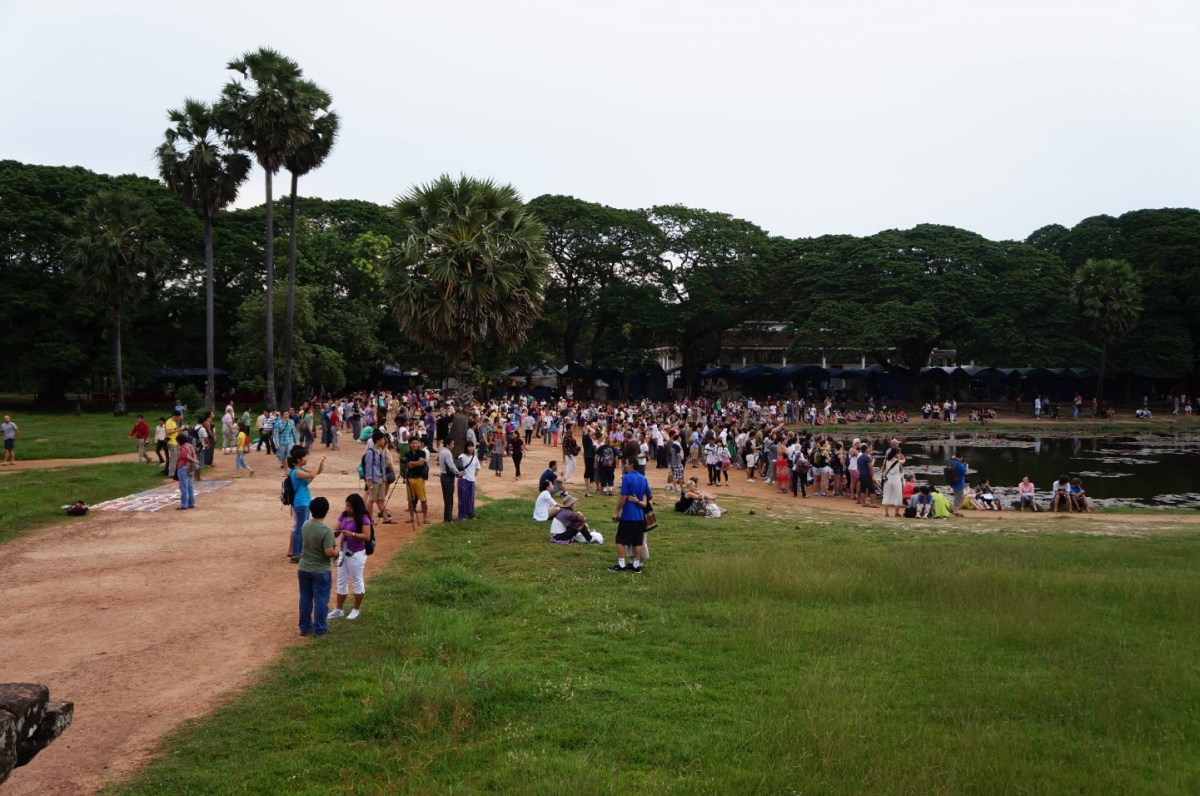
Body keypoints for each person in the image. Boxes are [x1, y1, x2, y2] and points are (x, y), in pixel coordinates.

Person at [297, 496, 337, 637]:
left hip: (303, 567)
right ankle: (320, 629)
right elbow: (328, 552)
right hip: (320, 570)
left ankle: (304, 627)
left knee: (305, 598)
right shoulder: (327, 531)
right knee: (321, 600)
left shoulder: (305, 525)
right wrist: (337, 553)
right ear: (326, 511)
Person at [328, 494, 371, 621]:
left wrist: (352, 534)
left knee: (357, 580)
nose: (348, 509)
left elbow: (366, 536)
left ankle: (356, 609)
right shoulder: (344, 516)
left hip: (356, 554)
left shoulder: (363, 518)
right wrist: (329, 534)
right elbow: (335, 531)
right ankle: (339, 609)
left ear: (356, 507)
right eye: (346, 506)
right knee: (341, 581)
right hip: (343, 552)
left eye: (350, 507)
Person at [610, 457, 651, 573]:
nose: (625, 466)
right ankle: (636, 566)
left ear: (632, 464)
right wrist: (640, 500)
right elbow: (650, 494)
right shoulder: (643, 478)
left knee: (620, 540)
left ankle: (621, 565)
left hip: (628, 515)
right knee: (637, 542)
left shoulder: (627, 478)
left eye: (626, 463)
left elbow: (623, 497)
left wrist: (616, 512)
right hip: (640, 516)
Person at [287, 445, 326, 563]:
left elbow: (315, 473)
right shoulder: (296, 472)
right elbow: (312, 475)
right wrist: (318, 461)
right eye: (304, 457)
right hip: (301, 503)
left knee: (301, 527)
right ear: (298, 459)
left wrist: (321, 462)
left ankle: (299, 551)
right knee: (300, 528)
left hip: (303, 502)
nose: (306, 459)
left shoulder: (300, 471)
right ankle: (296, 554)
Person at [363, 432, 394, 525]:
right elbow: (368, 466)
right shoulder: (370, 452)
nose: (384, 441)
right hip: (374, 478)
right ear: (377, 440)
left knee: (381, 499)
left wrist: (384, 477)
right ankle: (370, 520)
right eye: (382, 439)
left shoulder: (380, 451)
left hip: (381, 478)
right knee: (371, 499)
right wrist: (368, 479)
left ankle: (384, 518)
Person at [404, 437, 430, 525]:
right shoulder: (407, 454)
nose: (415, 444)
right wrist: (415, 463)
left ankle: (425, 517)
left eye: (416, 443)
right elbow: (409, 466)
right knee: (410, 499)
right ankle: (411, 517)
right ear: (410, 444)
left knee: (423, 499)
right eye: (413, 443)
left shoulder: (422, 453)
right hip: (410, 478)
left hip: (419, 478)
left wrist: (411, 463)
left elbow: (421, 463)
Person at [438, 438, 462, 523]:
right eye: (452, 444)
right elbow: (451, 466)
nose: (453, 445)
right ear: (447, 444)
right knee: (449, 498)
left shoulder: (442, 452)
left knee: (447, 498)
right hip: (447, 477)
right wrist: (458, 473)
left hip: (444, 476)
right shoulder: (447, 453)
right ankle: (449, 518)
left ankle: (447, 518)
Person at [457, 441, 480, 520]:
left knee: (471, 498)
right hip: (463, 480)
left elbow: (478, 466)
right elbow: (457, 466)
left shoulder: (474, 457)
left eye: (472, 446)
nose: (471, 448)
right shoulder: (462, 456)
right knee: (463, 498)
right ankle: (462, 515)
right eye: (469, 446)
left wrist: (475, 474)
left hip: (472, 480)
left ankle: (470, 514)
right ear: (466, 447)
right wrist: (460, 473)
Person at [880, 445, 905, 517]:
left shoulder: (885, 460)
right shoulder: (898, 461)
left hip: (888, 479)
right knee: (897, 495)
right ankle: (896, 513)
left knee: (886, 495)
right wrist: (901, 453)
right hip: (896, 479)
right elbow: (904, 460)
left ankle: (886, 513)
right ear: (896, 454)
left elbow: (883, 470)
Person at [176, 432, 197, 510]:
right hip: (191, 468)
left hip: (184, 467)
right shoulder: (190, 446)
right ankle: (191, 503)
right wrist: (194, 461)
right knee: (190, 486)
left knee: (183, 487)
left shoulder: (183, 447)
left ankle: (184, 505)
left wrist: (194, 461)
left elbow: (186, 456)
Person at [164, 409, 182, 478]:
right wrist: (178, 429)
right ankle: (171, 473)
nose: (178, 418)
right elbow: (168, 432)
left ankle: (175, 472)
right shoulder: (169, 422)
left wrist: (181, 429)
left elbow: (175, 432)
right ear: (175, 416)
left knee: (177, 458)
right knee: (173, 458)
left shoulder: (174, 422)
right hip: (171, 442)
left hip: (176, 442)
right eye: (178, 417)